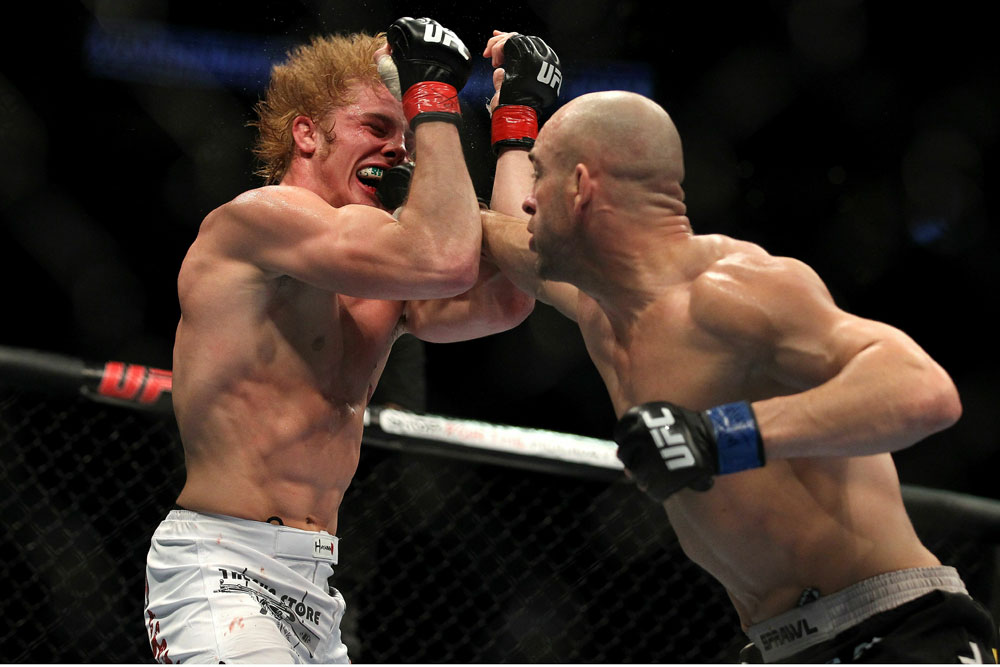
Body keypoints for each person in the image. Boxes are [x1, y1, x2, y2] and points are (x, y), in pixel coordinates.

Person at [480, 90, 998, 663]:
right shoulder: (602, 308)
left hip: (896, 631)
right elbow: (508, 237)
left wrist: (719, 435)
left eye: (540, 175)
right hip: (781, 646)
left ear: (581, 187)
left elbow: (925, 391)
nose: (529, 199)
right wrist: (512, 119)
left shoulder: (734, 290)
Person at [143, 18, 561, 663]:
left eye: (407, 135)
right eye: (376, 126)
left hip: (316, 585)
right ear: (307, 133)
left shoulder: (384, 269)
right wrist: (432, 96)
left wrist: (515, 129)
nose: (399, 150)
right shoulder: (255, 222)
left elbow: (511, 293)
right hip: (222, 565)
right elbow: (444, 259)